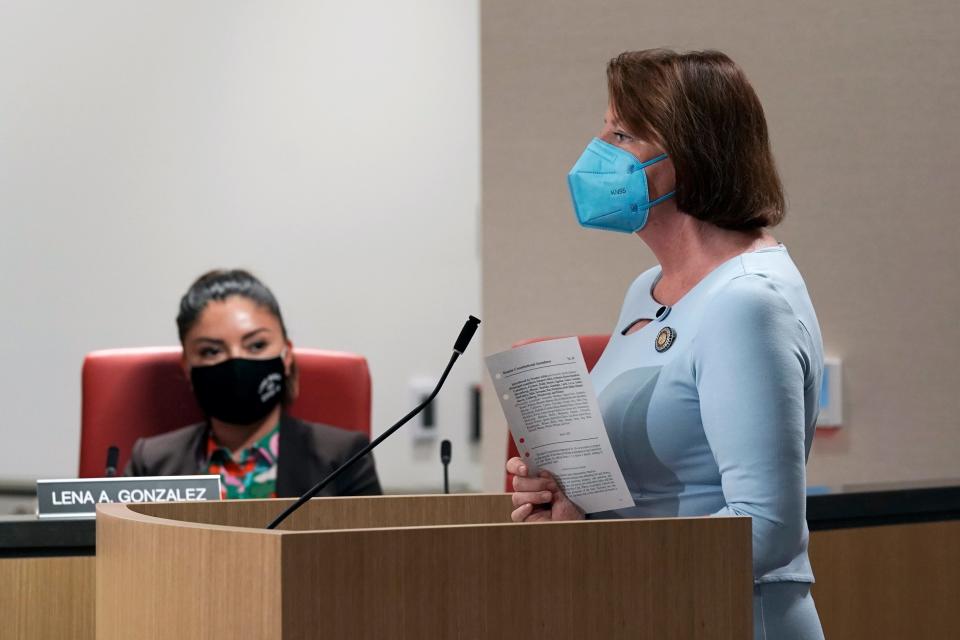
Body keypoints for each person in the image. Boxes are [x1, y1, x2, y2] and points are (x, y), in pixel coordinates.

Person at [506, 49, 824, 639]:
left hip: (732, 615)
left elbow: (765, 527)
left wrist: (603, 549)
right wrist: (573, 507)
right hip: (653, 607)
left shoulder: (746, 300)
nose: (596, 153)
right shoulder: (646, 292)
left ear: (689, 155)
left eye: (622, 134)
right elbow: (649, 498)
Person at [125, 269, 381, 499]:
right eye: (211, 351)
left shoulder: (344, 458)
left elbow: (368, 551)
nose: (236, 362)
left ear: (287, 355)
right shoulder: (151, 463)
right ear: (187, 366)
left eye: (257, 345)